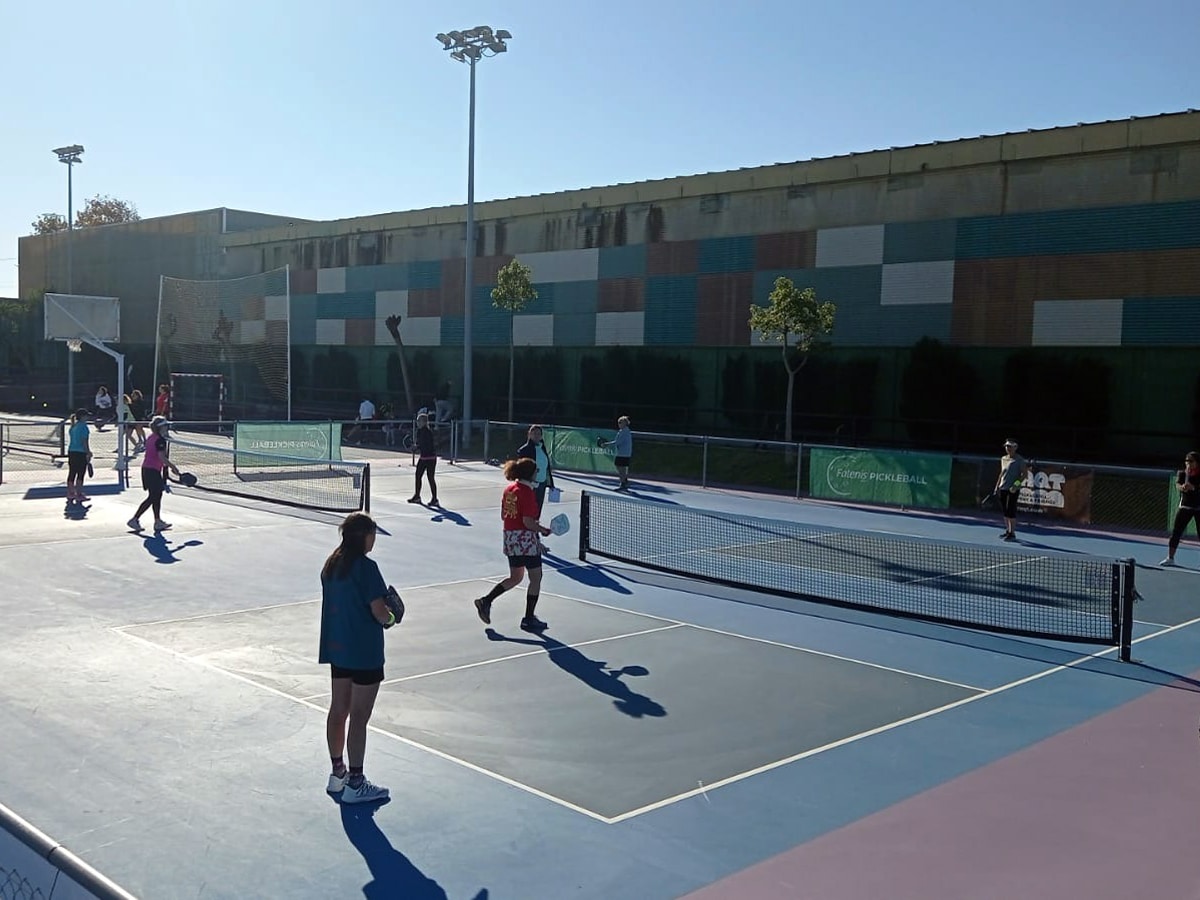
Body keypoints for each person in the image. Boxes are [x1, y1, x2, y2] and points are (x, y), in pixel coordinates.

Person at [318, 511, 394, 804]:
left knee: (339, 710)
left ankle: (338, 774)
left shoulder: (332, 566)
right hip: (365, 651)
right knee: (359, 717)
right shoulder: (366, 568)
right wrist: (391, 618)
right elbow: (378, 612)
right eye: (373, 534)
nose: (374, 539)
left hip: (339, 649)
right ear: (364, 536)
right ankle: (356, 783)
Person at [473, 457, 553, 634]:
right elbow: (527, 521)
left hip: (510, 538)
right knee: (536, 578)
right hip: (524, 539)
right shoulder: (527, 492)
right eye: (535, 470)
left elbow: (505, 515)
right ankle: (528, 618)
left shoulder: (509, 489)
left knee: (516, 577)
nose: (537, 473)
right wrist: (543, 530)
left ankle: (486, 600)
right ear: (529, 473)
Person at [127, 416, 181, 533]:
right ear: (160, 427)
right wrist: (173, 467)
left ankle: (157, 521)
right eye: (165, 426)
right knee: (153, 497)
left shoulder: (151, 437)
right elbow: (162, 457)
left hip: (148, 470)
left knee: (157, 496)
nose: (167, 427)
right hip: (152, 471)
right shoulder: (160, 440)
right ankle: (134, 519)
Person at [1161, 451, 1200, 567]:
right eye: (1186, 461)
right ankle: (1170, 558)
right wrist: (1182, 487)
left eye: (1191, 461)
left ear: (1197, 463)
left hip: (1199, 508)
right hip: (1185, 506)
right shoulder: (1182, 473)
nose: (1188, 463)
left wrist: (1193, 487)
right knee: (1176, 532)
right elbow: (1178, 484)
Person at [993, 438, 1031, 542]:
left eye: (1010, 446)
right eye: (1006, 446)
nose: (1007, 448)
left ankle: (1012, 533)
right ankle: (1007, 531)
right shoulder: (1003, 459)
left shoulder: (1019, 460)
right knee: (1005, 511)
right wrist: (997, 486)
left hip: (1013, 489)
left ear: (1015, 447)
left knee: (1011, 511)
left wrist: (1015, 485)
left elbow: (1024, 475)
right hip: (1003, 488)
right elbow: (1001, 473)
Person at [516, 424, 555, 514]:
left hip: (542, 483)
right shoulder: (524, 450)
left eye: (538, 434)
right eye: (534, 433)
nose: (536, 436)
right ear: (529, 435)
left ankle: (536, 524)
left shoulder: (542, 448)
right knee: (528, 508)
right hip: (530, 484)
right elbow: (521, 468)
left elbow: (546, 466)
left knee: (538, 508)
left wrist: (550, 483)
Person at [407, 412, 439, 506]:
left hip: (430, 458)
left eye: (419, 421)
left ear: (424, 422)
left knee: (430, 477)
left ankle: (434, 499)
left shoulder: (428, 432)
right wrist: (415, 447)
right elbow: (419, 444)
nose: (417, 422)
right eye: (417, 421)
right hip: (424, 457)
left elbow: (426, 445)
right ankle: (417, 496)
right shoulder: (419, 431)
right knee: (418, 475)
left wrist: (416, 447)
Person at [599, 416, 634, 491]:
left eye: (620, 423)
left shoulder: (624, 432)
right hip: (625, 453)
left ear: (625, 423)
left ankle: (623, 483)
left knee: (620, 467)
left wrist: (606, 444)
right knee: (621, 467)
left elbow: (617, 442)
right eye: (618, 423)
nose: (619, 424)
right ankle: (624, 481)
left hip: (623, 454)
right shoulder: (625, 431)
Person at [65, 408, 92, 504]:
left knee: (72, 472)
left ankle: (71, 492)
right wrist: (88, 452)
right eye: (86, 415)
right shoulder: (84, 427)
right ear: (82, 417)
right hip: (80, 452)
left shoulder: (73, 426)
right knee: (80, 474)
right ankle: (79, 494)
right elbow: (84, 441)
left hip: (71, 451)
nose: (88, 417)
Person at [125, 389, 148, 454]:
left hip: (140, 417)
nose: (133, 396)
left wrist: (143, 416)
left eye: (134, 395)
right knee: (136, 429)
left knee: (139, 428)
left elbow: (143, 410)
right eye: (133, 395)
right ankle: (140, 440)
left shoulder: (140, 402)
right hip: (134, 418)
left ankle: (143, 439)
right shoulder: (131, 402)